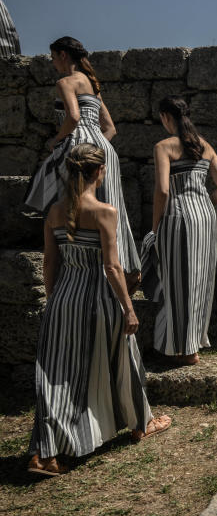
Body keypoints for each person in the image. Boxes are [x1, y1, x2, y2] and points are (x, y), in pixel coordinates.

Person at [28, 144, 171, 477]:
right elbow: (111, 267)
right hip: (99, 299)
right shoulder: (105, 212)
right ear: (98, 172)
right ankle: (141, 423)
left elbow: (50, 261)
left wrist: (55, 300)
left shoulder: (53, 211)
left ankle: (44, 452)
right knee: (125, 358)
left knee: (58, 375)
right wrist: (128, 308)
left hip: (64, 298)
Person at [23, 36, 141, 287]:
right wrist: (99, 143)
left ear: (63, 56)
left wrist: (57, 140)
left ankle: (78, 265)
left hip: (78, 146)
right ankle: (116, 267)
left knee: (70, 200)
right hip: (105, 149)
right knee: (107, 204)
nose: (53, 63)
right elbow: (110, 128)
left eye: (54, 58)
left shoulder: (65, 82)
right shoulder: (93, 86)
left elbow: (73, 118)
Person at [140, 96, 217, 364]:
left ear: (167, 116)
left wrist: (155, 227)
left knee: (176, 282)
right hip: (204, 217)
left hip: (176, 217)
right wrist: (204, 205)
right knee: (200, 281)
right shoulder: (205, 146)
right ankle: (193, 346)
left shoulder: (163, 147)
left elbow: (163, 191)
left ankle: (182, 349)